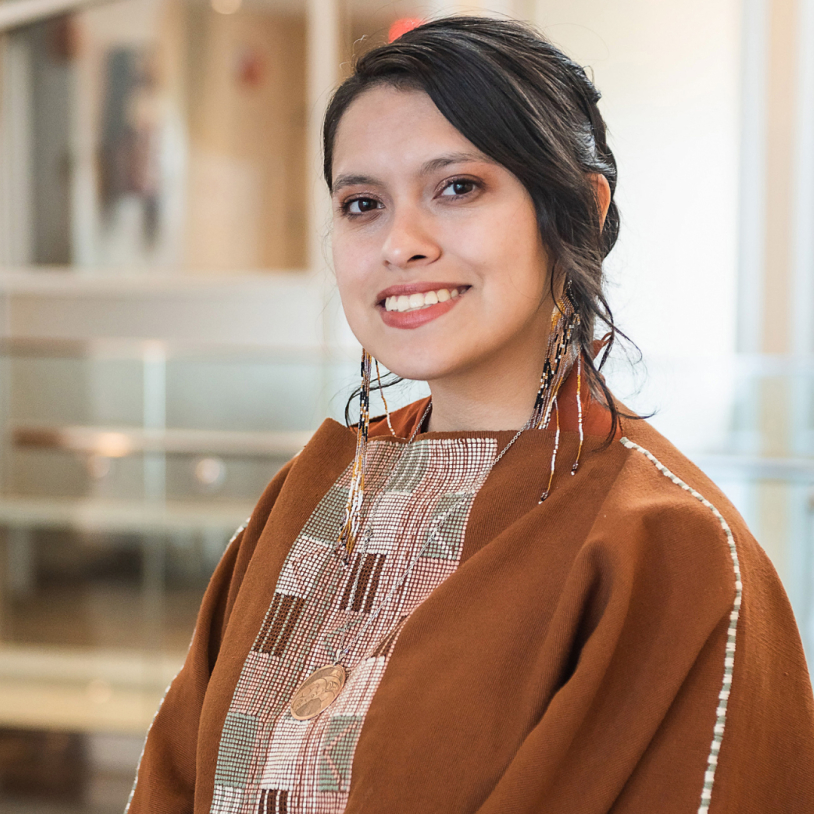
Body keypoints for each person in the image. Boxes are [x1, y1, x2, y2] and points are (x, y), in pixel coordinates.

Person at [127, 17, 814, 814]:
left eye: (457, 187)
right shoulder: (305, 499)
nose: (401, 243)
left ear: (579, 211)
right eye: (361, 204)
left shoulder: (666, 545)